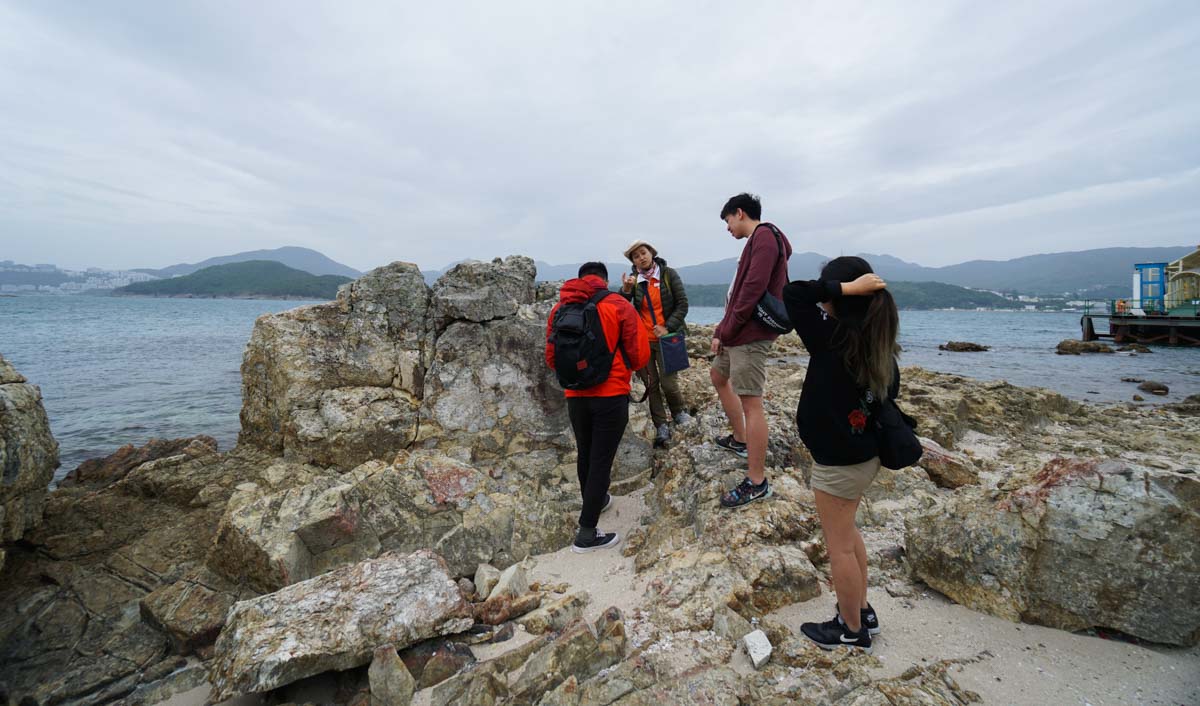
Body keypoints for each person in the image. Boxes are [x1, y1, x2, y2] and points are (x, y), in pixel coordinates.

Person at [781, 256, 894, 653]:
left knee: (840, 546)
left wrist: (846, 288)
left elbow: (793, 293)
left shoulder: (832, 336)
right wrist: (852, 290)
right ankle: (862, 611)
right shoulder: (874, 337)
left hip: (839, 462)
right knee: (849, 534)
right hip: (864, 455)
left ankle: (850, 630)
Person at [545, 262, 650, 553]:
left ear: (581, 280)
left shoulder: (560, 309)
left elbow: (552, 358)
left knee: (586, 453)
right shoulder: (617, 304)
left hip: (575, 394)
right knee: (602, 459)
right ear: (603, 280)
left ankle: (598, 500)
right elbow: (640, 354)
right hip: (611, 393)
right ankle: (587, 533)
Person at [712, 193, 792, 509]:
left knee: (752, 403)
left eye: (728, 221)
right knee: (718, 376)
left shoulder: (765, 239)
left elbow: (750, 292)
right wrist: (721, 330)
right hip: (737, 332)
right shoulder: (756, 241)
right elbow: (738, 295)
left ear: (740, 213)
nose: (728, 228)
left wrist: (727, 331)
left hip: (750, 334)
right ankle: (741, 439)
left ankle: (757, 482)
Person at [619, 239, 692, 447]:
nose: (641, 257)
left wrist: (667, 327)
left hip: (668, 339)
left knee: (669, 383)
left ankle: (679, 413)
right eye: (635, 256)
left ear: (651, 253)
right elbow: (621, 308)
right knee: (651, 385)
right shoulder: (634, 281)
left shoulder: (669, 275)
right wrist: (625, 290)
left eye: (643, 253)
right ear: (633, 261)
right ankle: (661, 424)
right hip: (643, 341)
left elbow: (682, 304)